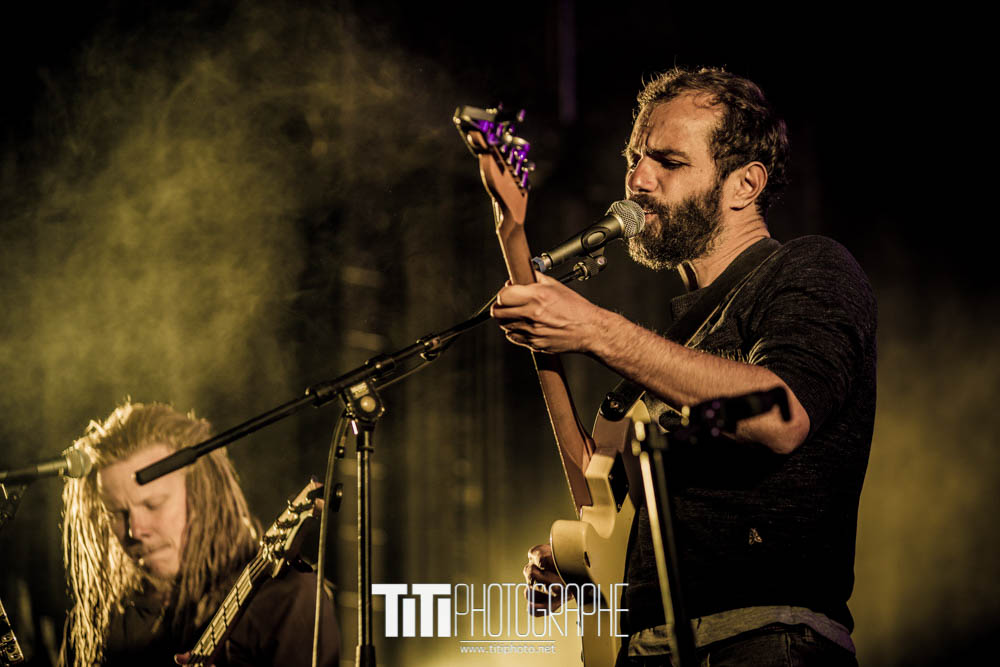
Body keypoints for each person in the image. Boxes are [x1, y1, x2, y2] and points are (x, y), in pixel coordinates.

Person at [494, 66, 875, 666]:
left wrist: (596, 329)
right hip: (647, 646)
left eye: (669, 163)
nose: (638, 181)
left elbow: (782, 413)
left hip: (762, 640)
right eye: (636, 158)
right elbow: (600, 509)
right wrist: (576, 561)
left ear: (744, 184)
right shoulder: (678, 338)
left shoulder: (809, 269)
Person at [58, 401, 340, 666]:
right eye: (116, 513)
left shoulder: (287, 601)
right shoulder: (95, 623)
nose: (135, 530)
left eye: (153, 504)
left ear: (203, 494)